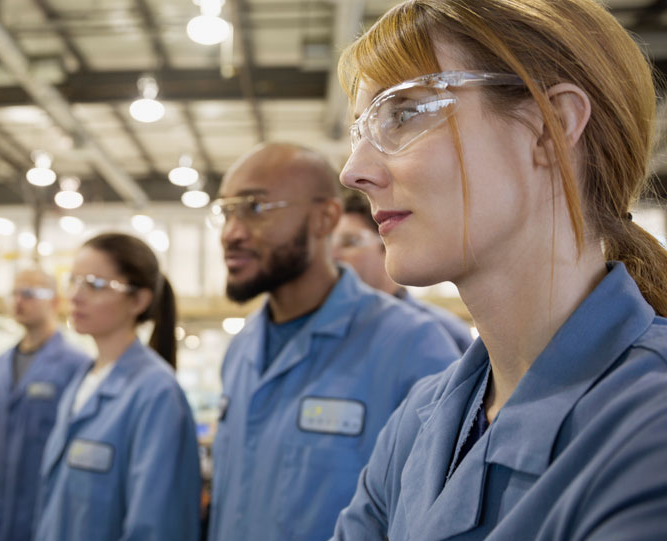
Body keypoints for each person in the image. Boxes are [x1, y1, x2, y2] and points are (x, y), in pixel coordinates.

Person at [332, 1, 667, 540]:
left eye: (403, 113)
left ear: (548, 128)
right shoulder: (420, 424)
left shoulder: (649, 424)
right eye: (360, 132)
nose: (354, 172)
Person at [207, 142, 460, 541]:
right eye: (226, 213)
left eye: (254, 209)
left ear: (324, 219)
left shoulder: (410, 346)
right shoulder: (242, 349)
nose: (231, 234)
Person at [35, 233, 201, 541]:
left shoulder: (156, 394)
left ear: (138, 300)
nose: (76, 295)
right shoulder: (81, 382)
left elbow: (157, 527)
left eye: (95, 285)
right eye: (74, 281)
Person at [0, 269, 89, 541]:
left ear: (55, 302)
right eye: (14, 294)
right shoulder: (0, 365)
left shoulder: (75, 366)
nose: (19, 301)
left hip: (45, 512)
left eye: (29, 294)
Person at [334, 190, 473, 351]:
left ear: (387, 245)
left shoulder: (442, 334)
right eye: (329, 244)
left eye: (349, 242)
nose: (333, 255)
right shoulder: (331, 332)